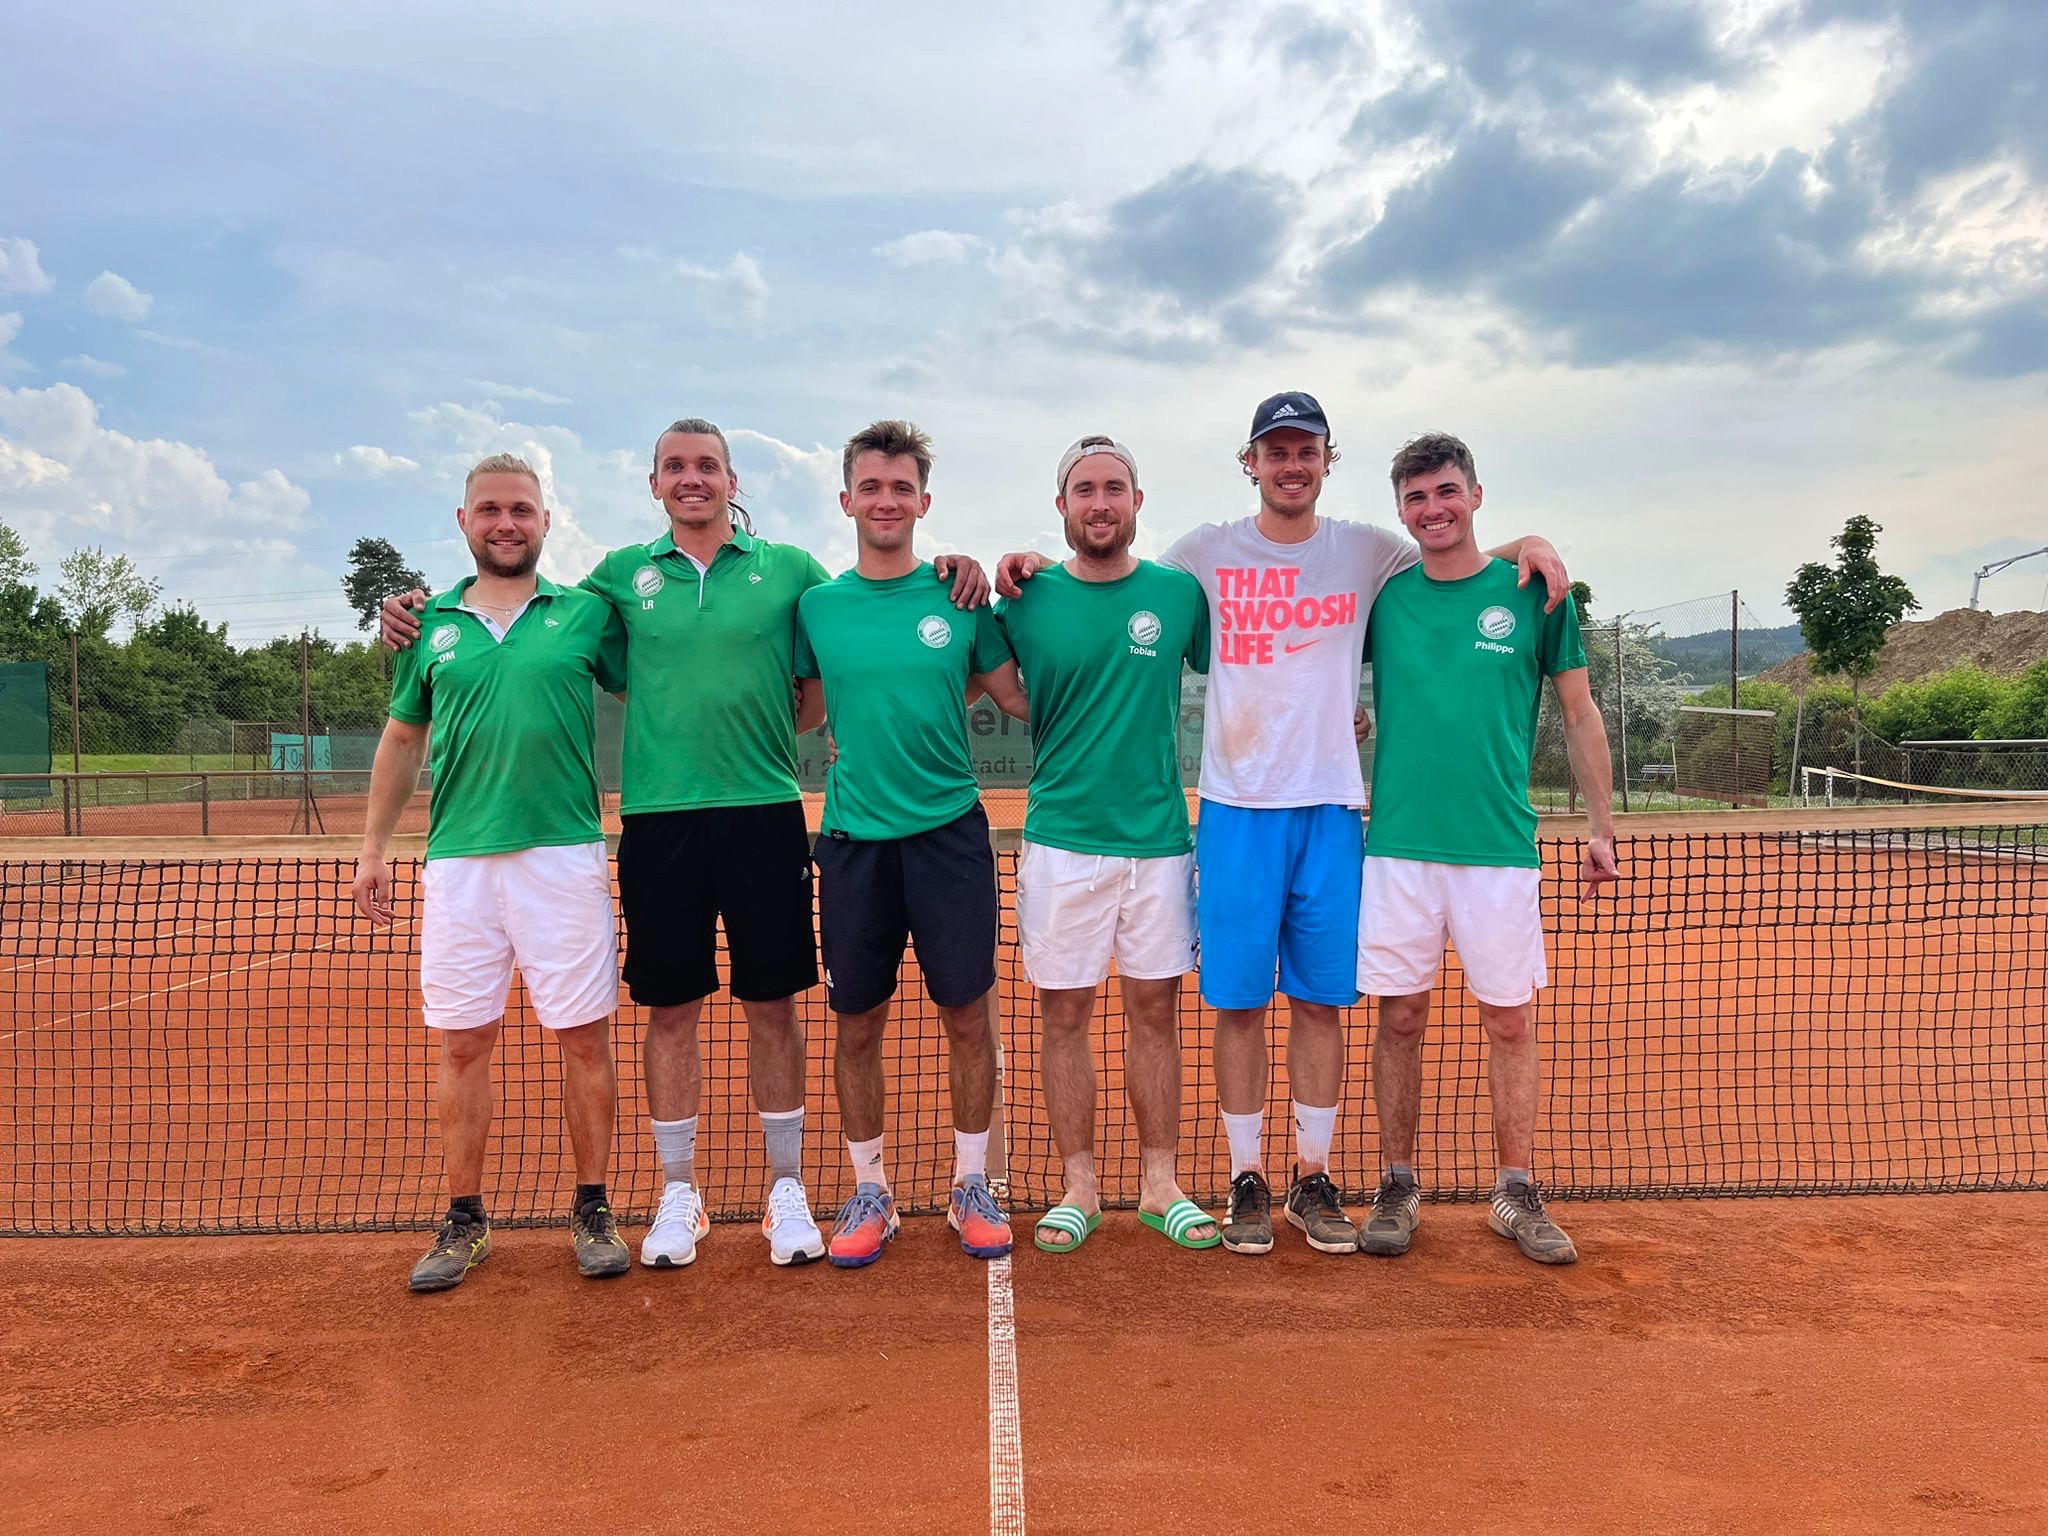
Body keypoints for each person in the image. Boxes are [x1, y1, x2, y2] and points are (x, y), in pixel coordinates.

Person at [381, 420, 989, 1271]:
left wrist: (957, 563)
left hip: (765, 812)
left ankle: (786, 1190)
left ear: (732, 481)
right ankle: (679, 1194)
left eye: (707, 466)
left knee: (773, 1006)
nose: (691, 478)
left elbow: (857, 629)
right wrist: (411, 607)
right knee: (671, 1012)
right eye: (675, 466)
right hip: (659, 821)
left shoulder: (792, 572)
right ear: (655, 483)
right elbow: (512, 600)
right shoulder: (614, 580)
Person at [999, 391, 1567, 1257]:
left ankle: (1312, 1180)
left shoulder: (1369, 552)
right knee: (1237, 1005)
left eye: (1306, 451)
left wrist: (1530, 544)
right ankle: (1246, 1180)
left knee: (1318, 1004)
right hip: (1234, 813)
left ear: (1326, 462)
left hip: (1332, 813)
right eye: (1276, 451)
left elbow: (1455, 551)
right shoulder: (1201, 555)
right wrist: (1036, 561)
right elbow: (1111, 578)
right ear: (1252, 462)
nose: (1291, 465)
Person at [354, 453, 631, 1292]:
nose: (506, 523)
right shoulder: (427, 625)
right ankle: (464, 1219)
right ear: (464, 521)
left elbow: (664, 674)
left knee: (583, 1037)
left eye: (521, 509)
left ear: (545, 520)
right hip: (461, 864)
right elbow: (403, 738)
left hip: (563, 855)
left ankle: (593, 1208)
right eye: (490, 510)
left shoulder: (588, 615)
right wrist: (373, 849)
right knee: (465, 1042)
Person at [1355, 432, 1618, 1265]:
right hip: (1397, 848)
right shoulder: (1384, 597)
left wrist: (1601, 827)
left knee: (1509, 1020)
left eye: (1446, 491)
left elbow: (1578, 713)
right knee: (1400, 1018)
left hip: (1500, 849)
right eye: (1416, 498)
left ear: (1475, 494)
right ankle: (1398, 1184)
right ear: (1402, 511)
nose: (1433, 509)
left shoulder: (1535, 594)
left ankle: (1515, 1191)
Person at [795, 419, 1029, 1268]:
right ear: (847, 499)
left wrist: (1033, 581)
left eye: (902, 488)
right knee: (856, 1026)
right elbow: (797, 711)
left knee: (968, 1018)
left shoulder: (962, 600)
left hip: (950, 839)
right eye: (872, 486)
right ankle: (871, 1192)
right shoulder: (817, 607)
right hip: (853, 846)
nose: (886, 500)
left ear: (924, 502)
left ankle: (970, 1184)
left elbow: (1021, 699)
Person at [996, 435, 1219, 1254]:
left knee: (1156, 1013)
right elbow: (989, 679)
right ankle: (1079, 1188)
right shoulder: (1023, 598)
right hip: (1062, 842)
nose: (1100, 503)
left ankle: (1161, 1185)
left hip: (1159, 842)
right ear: (1061, 505)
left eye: (1114, 488)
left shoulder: (1179, 594)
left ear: (1136, 501)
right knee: (1065, 1014)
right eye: (1084, 489)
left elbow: (1254, 667)